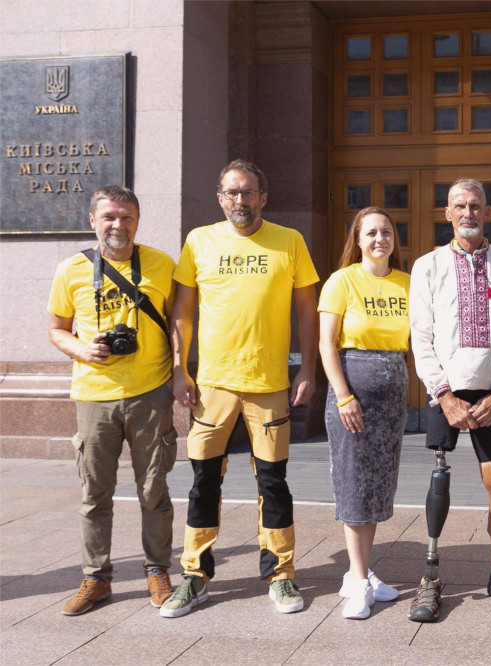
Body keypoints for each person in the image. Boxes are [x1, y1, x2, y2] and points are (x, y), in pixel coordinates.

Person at [161, 160, 319, 617]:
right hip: (212, 385)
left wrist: (308, 369)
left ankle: (281, 574)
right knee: (203, 482)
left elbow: (307, 310)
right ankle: (195, 575)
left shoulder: (290, 241)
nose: (240, 200)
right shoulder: (199, 241)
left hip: (268, 384)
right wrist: (179, 368)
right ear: (220, 198)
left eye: (248, 192)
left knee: (273, 482)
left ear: (263, 198)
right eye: (232, 192)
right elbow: (182, 311)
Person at [407, 177, 491, 622]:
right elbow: (421, 337)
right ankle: (429, 577)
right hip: (444, 390)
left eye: (476, 205)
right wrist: (443, 395)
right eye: (460, 206)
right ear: (447, 213)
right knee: (438, 481)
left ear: (488, 211)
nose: (468, 213)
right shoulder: (427, 266)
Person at [48, 185, 177, 615]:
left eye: (126, 217)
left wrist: (180, 372)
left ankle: (157, 570)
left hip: (150, 392)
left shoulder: (161, 264)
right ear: (93, 220)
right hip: (93, 396)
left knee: (154, 490)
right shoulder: (70, 270)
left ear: (137, 221)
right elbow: (57, 329)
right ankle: (95, 578)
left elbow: (179, 323)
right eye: (109, 217)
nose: (118, 225)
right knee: (94, 494)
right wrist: (83, 349)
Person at [318, 207, 409, 619]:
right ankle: (357, 583)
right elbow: (326, 343)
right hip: (352, 393)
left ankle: (362, 572)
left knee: (376, 488)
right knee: (354, 485)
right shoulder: (342, 281)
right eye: (370, 232)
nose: (379, 239)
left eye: (386, 231)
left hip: (391, 398)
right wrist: (343, 396)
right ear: (357, 239)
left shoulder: (407, 283)